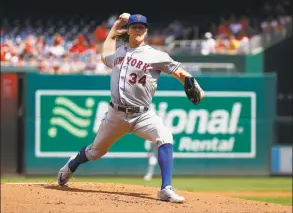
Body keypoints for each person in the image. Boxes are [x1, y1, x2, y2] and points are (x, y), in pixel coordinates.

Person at [57, 13, 204, 203]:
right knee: (95, 152)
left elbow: (181, 73)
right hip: (116, 115)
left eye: (141, 27)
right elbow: (104, 56)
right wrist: (115, 25)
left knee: (165, 137)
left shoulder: (157, 55)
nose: (138, 30)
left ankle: (165, 188)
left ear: (146, 31)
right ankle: (71, 165)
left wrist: (197, 88)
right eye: (134, 27)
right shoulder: (119, 52)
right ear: (128, 30)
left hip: (143, 115)